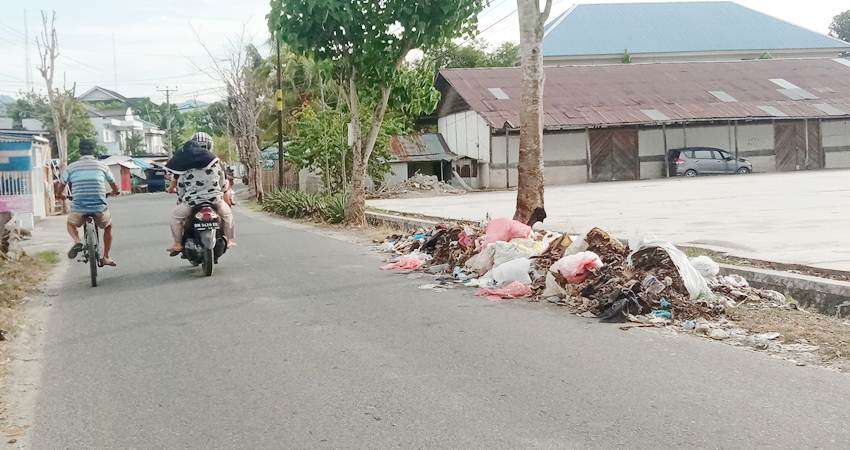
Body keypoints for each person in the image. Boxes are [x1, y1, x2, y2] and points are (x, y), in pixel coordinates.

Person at [165, 132, 235, 254]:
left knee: (175, 218)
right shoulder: (215, 165)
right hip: (214, 200)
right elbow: (223, 183)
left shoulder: (184, 169)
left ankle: (177, 243)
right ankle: (230, 240)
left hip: (192, 202)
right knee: (227, 215)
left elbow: (181, 189)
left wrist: (182, 198)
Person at [61, 139, 120, 266]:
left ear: (79, 151)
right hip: (99, 207)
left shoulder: (71, 167)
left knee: (70, 224)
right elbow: (114, 184)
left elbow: (61, 185)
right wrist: (115, 191)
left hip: (79, 207)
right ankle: (106, 257)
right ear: (93, 151)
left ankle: (77, 241)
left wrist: (60, 195)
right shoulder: (102, 166)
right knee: (108, 226)